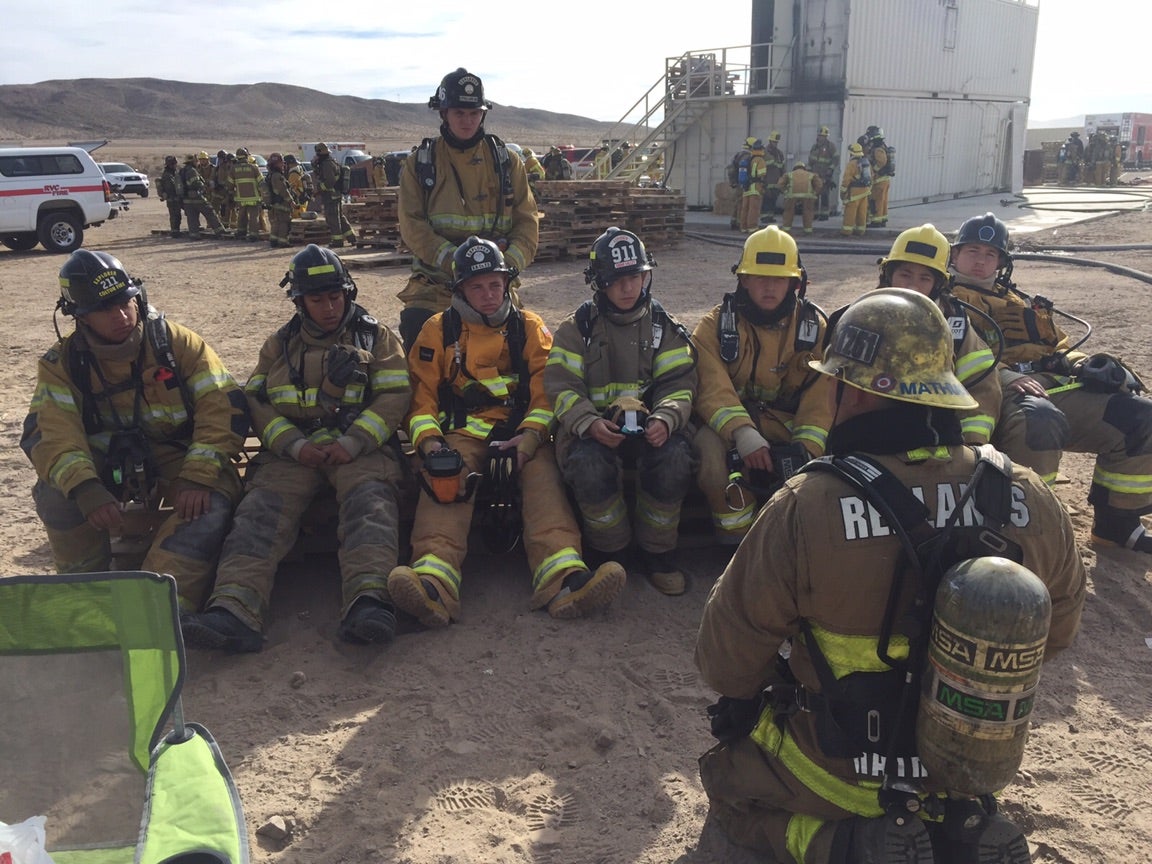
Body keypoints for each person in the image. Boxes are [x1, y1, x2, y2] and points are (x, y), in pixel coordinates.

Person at [695, 286, 1087, 864]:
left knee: (731, 793)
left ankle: (845, 843)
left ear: (846, 390)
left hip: (835, 769)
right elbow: (1056, 634)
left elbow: (724, 660)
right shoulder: (1022, 491)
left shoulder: (807, 505)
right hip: (963, 763)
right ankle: (960, 828)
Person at [180, 245, 411, 653]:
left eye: (335, 297)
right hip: (293, 453)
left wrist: (354, 441)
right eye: (317, 299)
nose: (329, 307)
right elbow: (256, 401)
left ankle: (370, 602)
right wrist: (294, 444)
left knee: (371, 503)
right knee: (259, 510)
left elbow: (393, 397)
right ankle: (233, 609)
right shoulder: (279, 346)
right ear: (299, 302)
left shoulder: (376, 337)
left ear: (348, 294)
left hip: (359, 450)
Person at [388, 236, 625, 628]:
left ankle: (565, 580)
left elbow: (547, 390)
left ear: (507, 285)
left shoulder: (530, 328)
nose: (487, 295)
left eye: (495, 285)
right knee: (446, 481)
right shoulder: (436, 331)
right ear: (460, 289)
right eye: (477, 287)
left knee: (543, 481)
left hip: (522, 436)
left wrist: (530, 440)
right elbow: (420, 397)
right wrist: (431, 445)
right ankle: (433, 585)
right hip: (458, 436)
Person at [21, 250, 247, 610]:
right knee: (55, 496)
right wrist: (85, 487)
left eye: (126, 302)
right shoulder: (63, 364)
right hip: (106, 461)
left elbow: (222, 406)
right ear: (79, 317)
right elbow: (51, 431)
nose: (122, 315)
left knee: (211, 507)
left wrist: (200, 477)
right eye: (105, 309)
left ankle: (158, 603)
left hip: (179, 455)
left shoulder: (176, 343)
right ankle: (83, 594)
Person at [949, 211, 1152, 553]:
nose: (981, 261)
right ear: (954, 255)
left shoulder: (1022, 303)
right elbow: (949, 360)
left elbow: (1057, 344)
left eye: (990, 254)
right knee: (1040, 421)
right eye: (972, 252)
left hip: (1049, 385)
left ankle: (1117, 523)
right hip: (994, 391)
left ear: (1002, 262)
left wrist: (1085, 364)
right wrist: (1006, 375)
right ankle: (1025, 536)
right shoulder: (944, 301)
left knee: (1138, 416)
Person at [545, 227, 698, 595]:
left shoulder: (664, 327)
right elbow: (561, 386)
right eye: (617, 281)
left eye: (635, 277)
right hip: (594, 433)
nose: (628, 288)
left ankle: (657, 554)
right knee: (588, 465)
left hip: (652, 431)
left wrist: (665, 418)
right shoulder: (575, 329)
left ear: (646, 276)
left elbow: (679, 383)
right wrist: (588, 423)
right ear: (599, 282)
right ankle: (609, 553)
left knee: (675, 458)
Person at [691, 226, 832, 544]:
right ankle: (736, 543)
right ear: (743, 280)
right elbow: (710, 386)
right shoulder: (715, 327)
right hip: (727, 427)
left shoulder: (814, 329)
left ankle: (792, 543)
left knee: (820, 471)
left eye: (779, 279)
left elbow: (821, 399)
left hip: (789, 425)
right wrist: (743, 433)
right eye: (759, 277)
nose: (770, 287)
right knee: (712, 463)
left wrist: (805, 451)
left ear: (795, 284)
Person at [396, 67, 540, 350]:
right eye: (459, 113)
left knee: (524, 347)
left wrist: (505, 268)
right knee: (420, 337)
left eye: (474, 113)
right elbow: (412, 225)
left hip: (494, 286)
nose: (467, 120)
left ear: (483, 114)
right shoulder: (420, 163)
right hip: (436, 286)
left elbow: (527, 223)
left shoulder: (507, 163)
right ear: (444, 114)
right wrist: (457, 263)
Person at [869, 224, 1001, 445]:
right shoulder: (864, 317)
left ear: (938, 285)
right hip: (871, 436)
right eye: (905, 274)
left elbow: (982, 389)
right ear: (888, 274)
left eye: (925, 279)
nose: (913, 285)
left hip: (940, 437)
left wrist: (974, 448)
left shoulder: (955, 324)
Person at [312, 142, 357, 248]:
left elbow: (330, 180)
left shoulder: (327, 164)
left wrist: (320, 188)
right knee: (339, 217)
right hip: (335, 194)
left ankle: (337, 241)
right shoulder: (330, 162)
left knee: (332, 218)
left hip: (331, 195)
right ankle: (352, 238)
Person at [178, 153, 228, 239]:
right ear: (193, 161)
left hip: (186, 200)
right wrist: (203, 185)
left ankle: (194, 235)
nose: (198, 162)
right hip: (196, 197)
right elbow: (196, 183)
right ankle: (219, 230)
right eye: (197, 160)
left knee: (192, 218)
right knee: (210, 212)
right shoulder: (192, 171)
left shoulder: (182, 171)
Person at [776, 161, 823, 234]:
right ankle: (808, 230)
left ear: (794, 168)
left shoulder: (789, 174)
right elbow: (819, 184)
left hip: (791, 195)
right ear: (804, 168)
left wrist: (785, 192)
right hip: (808, 196)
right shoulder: (811, 175)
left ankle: (786, 229)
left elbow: (780, 184)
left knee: (788, 211)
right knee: (808, 212)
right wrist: (814, 193)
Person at [230, 147, 264, 242]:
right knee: (253, 217)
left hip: (241, 198)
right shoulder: (253, 167)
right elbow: (261, 182)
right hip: (254, 197)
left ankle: (241, 232)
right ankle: (253, 235)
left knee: (241, 216)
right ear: (246, 156)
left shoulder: (233, 169)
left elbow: (229, 184)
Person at [264, 152, 297, 249]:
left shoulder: (271, 175)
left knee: (276, 223)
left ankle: (274, 240)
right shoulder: (277, 176)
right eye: (281, 163)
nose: (283, 164)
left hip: (275, 203)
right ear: (276, 164)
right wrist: (291, 201)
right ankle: (283, 241)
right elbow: (283, 190)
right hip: (282, 203)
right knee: (284, 222)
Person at [839, 141, 872, 236]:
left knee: (850, 211)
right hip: (865, 191)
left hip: (854, 192)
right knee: (862, 212)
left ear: (852, 153)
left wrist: (843, 191)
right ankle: (861, 230)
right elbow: (871, 177)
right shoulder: (866, 162)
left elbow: (846, 179)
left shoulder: (852, 164)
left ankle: (847, 231)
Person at [808, 125, 839, 221]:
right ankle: (816, 213)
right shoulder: (814, 147)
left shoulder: (831, 146)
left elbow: (836, 158)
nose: (821, 137)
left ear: (826, 137)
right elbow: (810, 160)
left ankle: (825, 214)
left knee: (825, 195)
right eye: (820, 135)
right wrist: (809, 171)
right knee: (815, 195)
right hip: (815, 175)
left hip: (825, 174)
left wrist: (831, 169)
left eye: (823, 136)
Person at [737, 138, 767, 233]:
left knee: (745, 208)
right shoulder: (760, 160)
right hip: (755, 187)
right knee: (754, 209)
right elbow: (762, 174)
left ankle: (743, 227)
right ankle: (752, 227)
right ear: (761, 149)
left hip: (746, 188)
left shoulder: (748, 159)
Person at [866, 125, 893, 227]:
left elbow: (882, 162)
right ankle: (882, 219)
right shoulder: (882, 146)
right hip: (884, 180)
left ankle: (876, 221)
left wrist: (874, 171)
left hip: (879, 180)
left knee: (876, 200)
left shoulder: (877, 149)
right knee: (883, 201)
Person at [761, 130, 786, 224]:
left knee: (773, 200)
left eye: (776, 142)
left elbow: (782, 166)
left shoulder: (779, 153)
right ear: (770, 141)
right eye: (774, 142)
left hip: (776, 181)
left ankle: (770, 217)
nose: (775, 144)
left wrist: (783, 177)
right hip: (767, 180)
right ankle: (764, 217)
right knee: (766, 199)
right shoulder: (765, 152)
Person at [157, 154, 183, 238]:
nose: (176, 165)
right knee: (174, 216)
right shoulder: (167, 175)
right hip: (172, 199)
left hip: (175, 198)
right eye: (174, 164)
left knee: (177, 215)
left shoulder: (173, 172)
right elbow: (170, 187)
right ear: (171, 164)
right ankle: (175, 232)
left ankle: (176, 230)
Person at [210, 149, 234, 228]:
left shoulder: (230, 168)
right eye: (219, 159)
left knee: (227, 210)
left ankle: (227, 226)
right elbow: (212, 179)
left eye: (221, 159)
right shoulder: (216, 169)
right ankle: (214, 225)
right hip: (217, 192)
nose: (220, 161)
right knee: (214, 209)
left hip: (227, 192)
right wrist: (213, 187)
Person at [284, 153, 312, 219]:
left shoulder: (293, 174)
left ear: (289, 164)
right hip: (303, 201)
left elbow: (290, 189)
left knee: (296, 220)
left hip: (297, 202)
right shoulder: (299, 170)